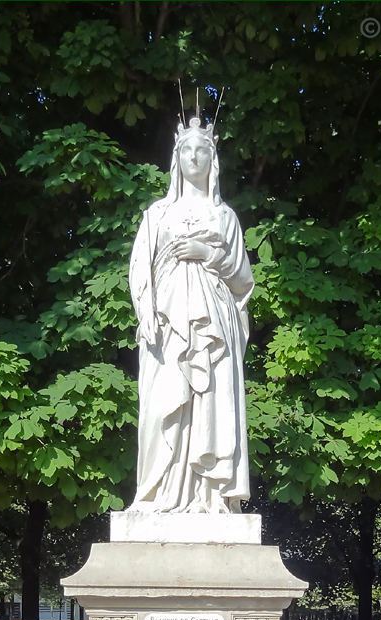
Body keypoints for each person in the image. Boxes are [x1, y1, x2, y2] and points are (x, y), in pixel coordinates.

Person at [128, 113, 254, 513]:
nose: (194, 156)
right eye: (187, 149)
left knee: (210, 406)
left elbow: (243, 280)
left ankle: (211, 498)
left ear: (213, 160)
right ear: (177, 157)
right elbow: (139, 269)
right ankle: (156, 492)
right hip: (166, 326)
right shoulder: (157, 214)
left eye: (203, 150)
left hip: (213, 324)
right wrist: (145, 312)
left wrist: (209, 254)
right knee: (161, 406)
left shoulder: (225, 217)